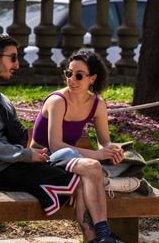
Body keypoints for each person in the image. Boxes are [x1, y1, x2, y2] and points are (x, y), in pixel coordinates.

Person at [0, 34, 139, 243]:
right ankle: (103, 241)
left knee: (82, 181)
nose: (18, 64)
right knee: (85, 175)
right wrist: (27, 154)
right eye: (13, 58)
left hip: (13, 164)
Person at [31, 50, 141, 194]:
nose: (71, 79)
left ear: (92, 78)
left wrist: (112, 151)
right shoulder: (57, 101)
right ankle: (105, 182)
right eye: (69, 73)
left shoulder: (97, 104)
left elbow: (104, 141)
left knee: (130, 156)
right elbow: (56, 146)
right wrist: (98, 155)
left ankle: (102, 178)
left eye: (79, 75)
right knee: (71, 154)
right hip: (45, 160)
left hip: (74, 161)